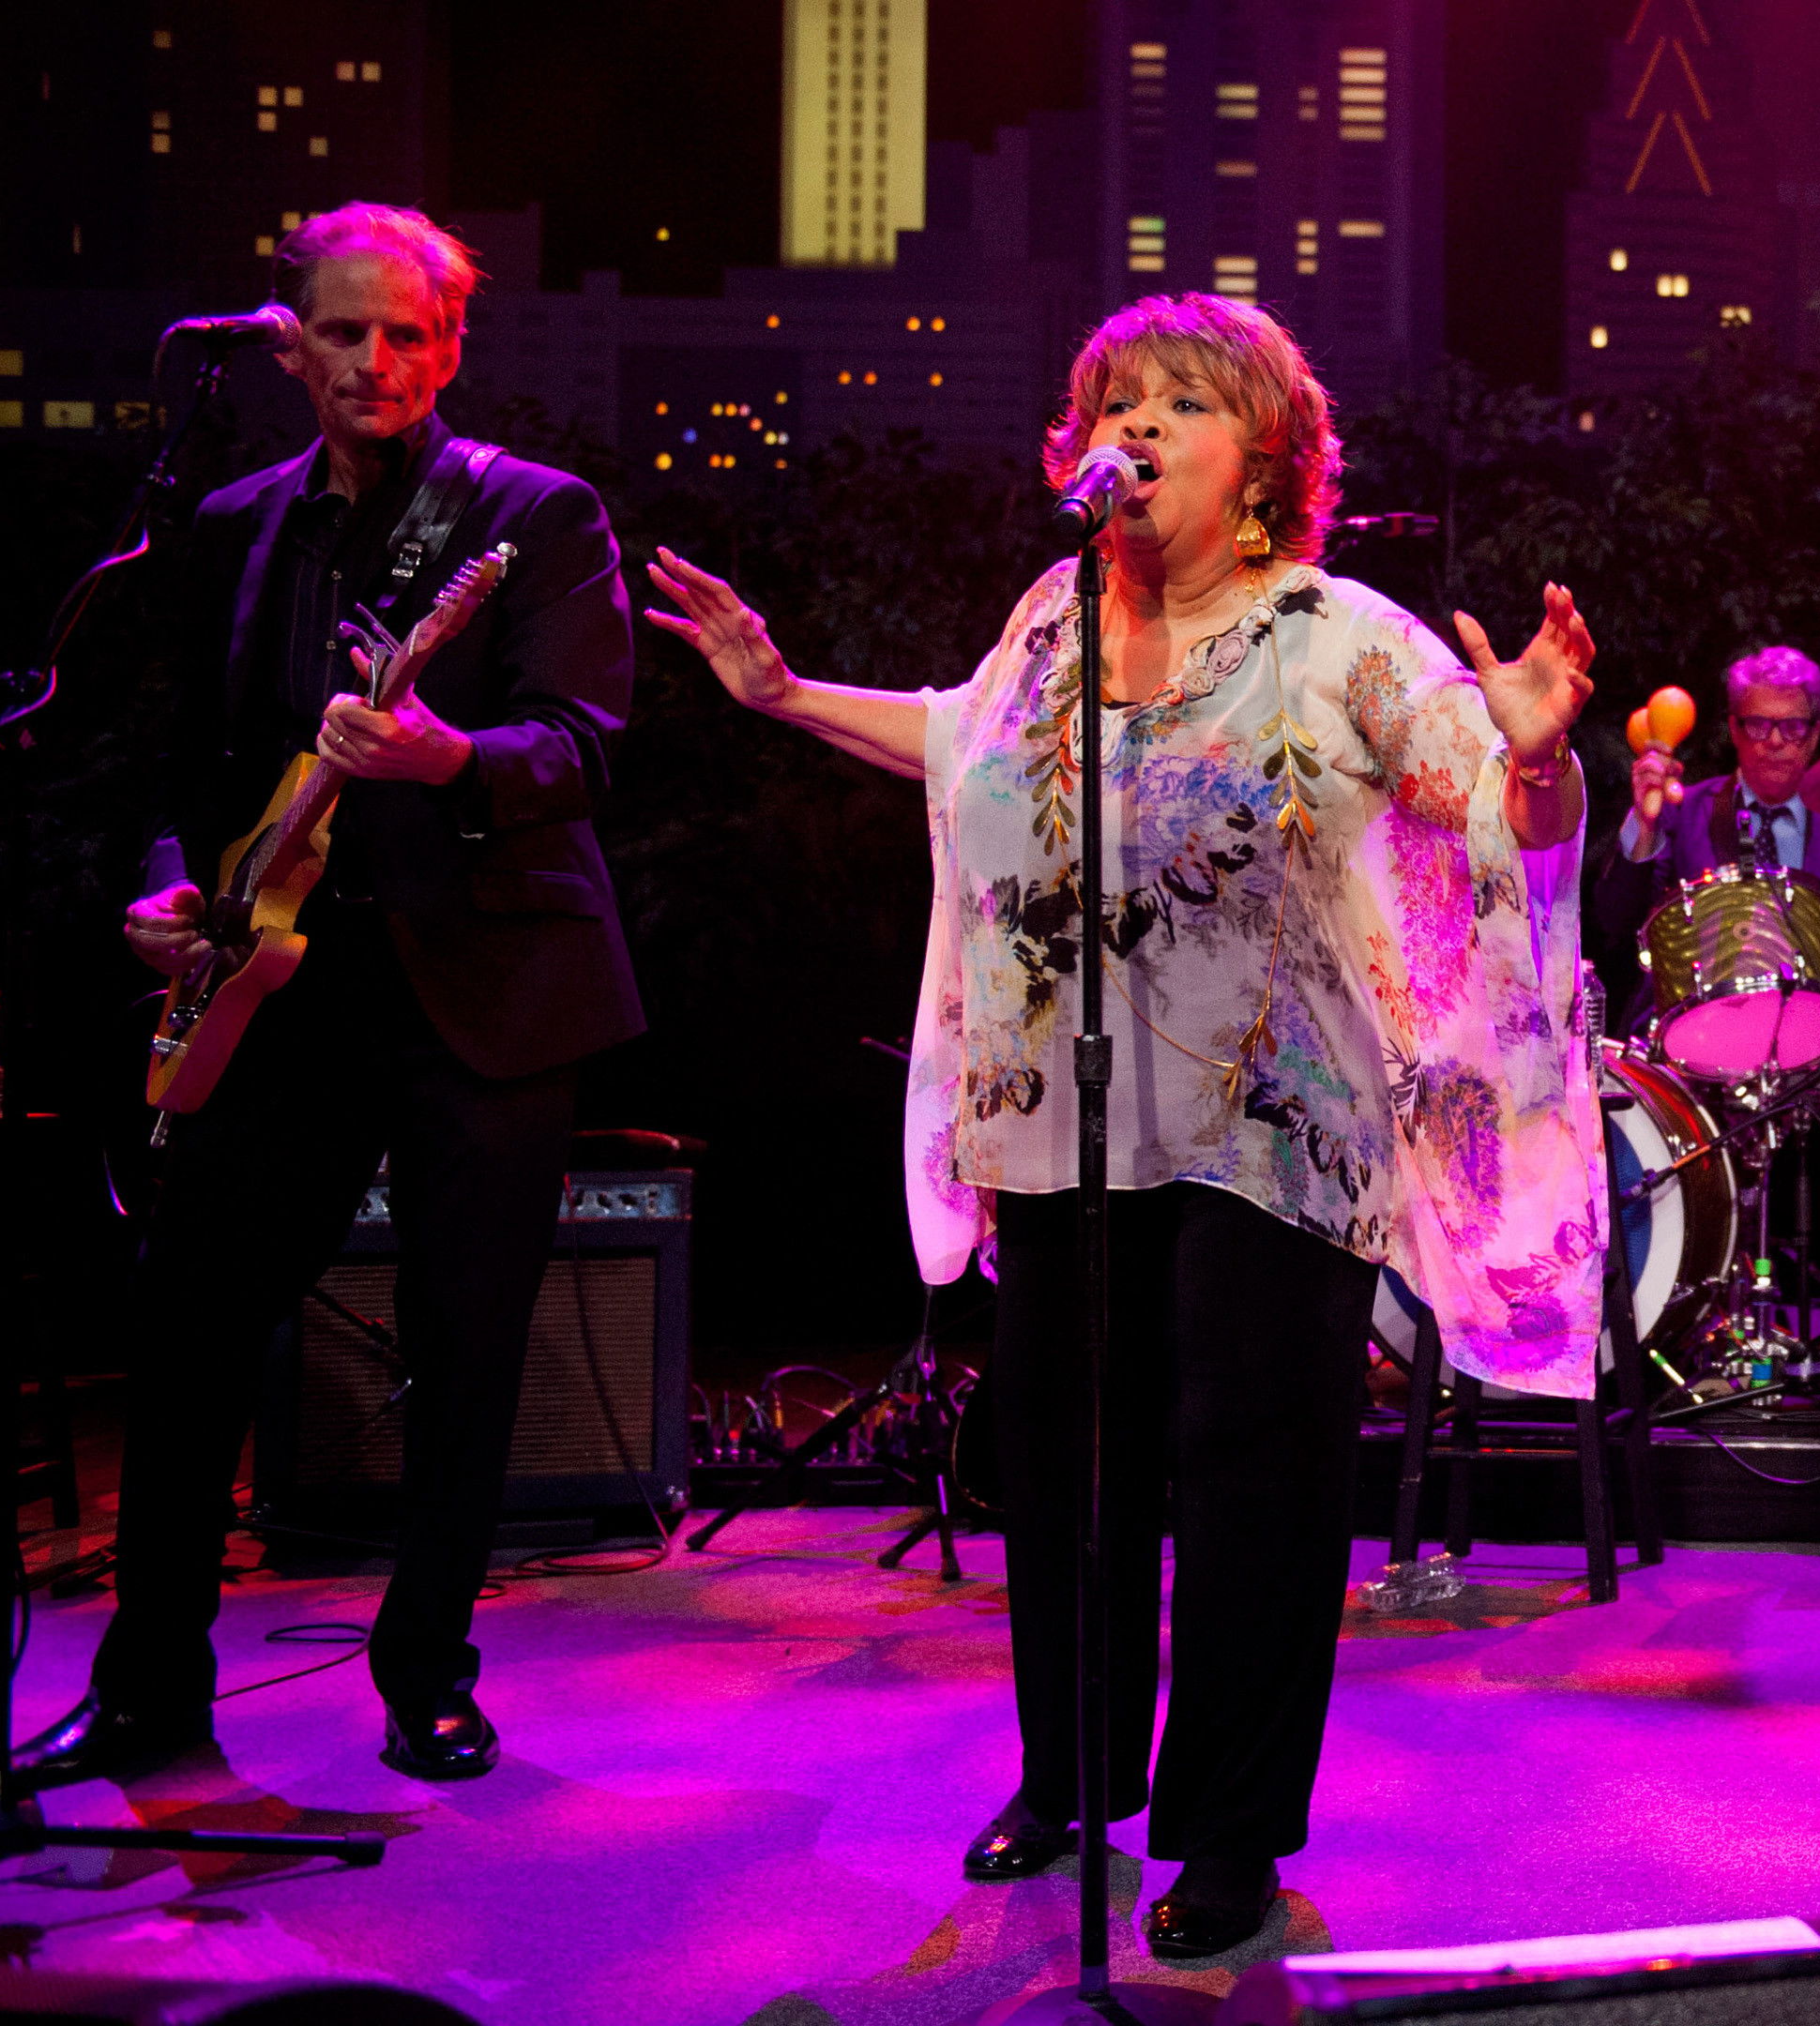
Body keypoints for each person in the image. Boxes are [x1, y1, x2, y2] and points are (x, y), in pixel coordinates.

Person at [645, 293, 1602, 1960]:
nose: (1140, 427)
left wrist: (1536, 762)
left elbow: (1486, 783)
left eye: (1185, 403)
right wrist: (782, 691)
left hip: (1271, 1128)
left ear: (1267, 462)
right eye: (1118, 401)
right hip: (1066, 1118)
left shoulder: (1340, 633)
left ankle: (1225, 1829)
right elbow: (961, 747)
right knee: (1065, 1457)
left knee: (1252, 1470)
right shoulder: (1050, 622)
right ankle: (1074, 1775)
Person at [11, 205, 645, 1788]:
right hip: (278, 975)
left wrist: (452, 759)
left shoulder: (533, 515)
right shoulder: (229, 523)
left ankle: (427, 1666)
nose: (377, 361)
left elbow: (586, 748)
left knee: (469, 1339)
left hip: (482, 979)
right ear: (286, 339)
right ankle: (152, 1683)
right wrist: (171, 881)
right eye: (346, 332)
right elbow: (189, 763)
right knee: (187, 1322)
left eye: (409, 334)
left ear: (451, 345)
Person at [1585, 644, 1820, 1042]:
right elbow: (1615, 920)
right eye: (1758, 724)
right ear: (1734, 728)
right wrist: (1644, 823)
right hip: (1694, 1047)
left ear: (1816, 732)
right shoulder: (1684, 810)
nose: (1776, 741)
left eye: (1794, 726)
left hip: (1816, 1048)